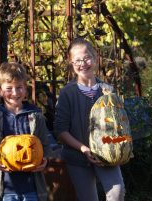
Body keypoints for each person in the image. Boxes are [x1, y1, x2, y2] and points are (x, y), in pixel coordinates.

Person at [53, 38, 125, 201]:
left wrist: (118, 145)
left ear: (95, 58)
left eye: (86, 58)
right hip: (77, 157)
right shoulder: (67, 93)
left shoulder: (107, 91)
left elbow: (119, 125)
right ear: (71, 62)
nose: (83, 63)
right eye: (77, 60)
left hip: (107, 156)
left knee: (117, 192)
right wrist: (84, 149)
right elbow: (60, 131)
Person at [0, 62, 51, 201]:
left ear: (25, 89)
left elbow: (46, 146)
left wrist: (45, 160)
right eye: (9, 88)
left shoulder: (36, 117)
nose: (15, 93)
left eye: (19, 87)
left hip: (33, 188)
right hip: (7, 189)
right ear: (0, 91)